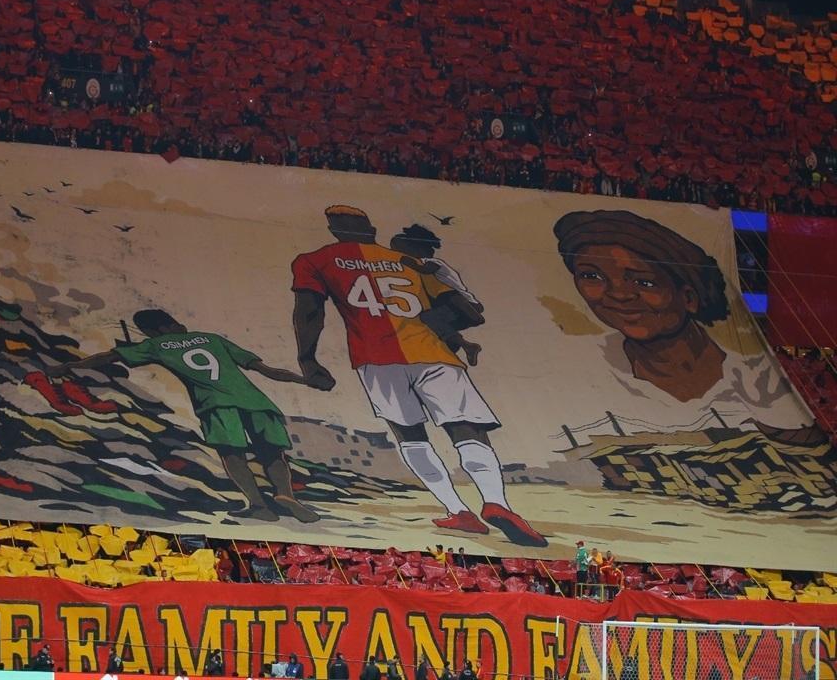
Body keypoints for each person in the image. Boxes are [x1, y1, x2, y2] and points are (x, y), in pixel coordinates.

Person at [291, 205, 545, 545]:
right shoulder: (409, 262)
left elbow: (309, 311)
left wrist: (308, 360)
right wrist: (447, 334)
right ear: (371, 230)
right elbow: (467, 311)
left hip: (376, 360)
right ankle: (496, 503)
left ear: (334, 231)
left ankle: (457, 510)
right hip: (433, 355)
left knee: (411, 436)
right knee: (466, 429)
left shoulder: (313, 261)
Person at [50, 308, 320, 523]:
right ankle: (285, 494)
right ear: (169, 325)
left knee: (232, 454)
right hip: (256, 401)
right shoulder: (212, 339)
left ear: (151, 331)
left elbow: (108, 357)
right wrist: (303, 380)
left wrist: (70, 365)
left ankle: (259, 505)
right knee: (272, 452)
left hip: (215, 404)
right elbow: (267, 370)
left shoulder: (156, 345)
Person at [553, 210, 730, 403]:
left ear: (688, 298)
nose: (619, 295)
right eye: (591, 276)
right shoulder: (584, 371)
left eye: (644, 282)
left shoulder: (744, 373)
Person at [389, 224, 483, 366]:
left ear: (416, 248)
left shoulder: (433, 262)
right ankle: (462, 347)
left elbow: (426, 270)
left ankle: (466, 344)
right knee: (438, 331)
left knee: (428, 317)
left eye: (402, 250)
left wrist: (408, 262)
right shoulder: (421, 270)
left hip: (460, 303)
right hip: (449, 304)